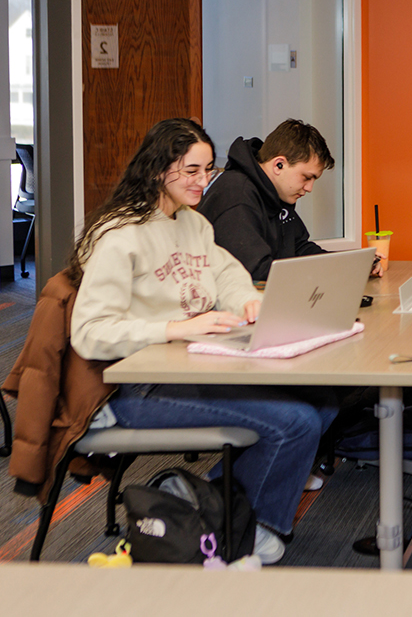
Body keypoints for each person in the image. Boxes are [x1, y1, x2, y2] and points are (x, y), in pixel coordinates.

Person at [69, 118, 339, 565]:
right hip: (135, 387)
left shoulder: (190, 223)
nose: (203, 181)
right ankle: (254, 529)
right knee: (295, 422)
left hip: (191, 365)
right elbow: (89, 333)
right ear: (159, 171)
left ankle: (204, 502)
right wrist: (174, 329)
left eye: (207, 169)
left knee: (323, 399)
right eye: (191, 171)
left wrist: (249, 303)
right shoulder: (119, 235)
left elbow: (228, 273)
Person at [198, 118, 383, 281]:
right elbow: (258, 272)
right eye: (306, 177)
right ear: (279, 165)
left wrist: (353, 266)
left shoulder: (277, 193)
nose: (309, 188)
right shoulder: (237, 195)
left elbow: (300, 249)